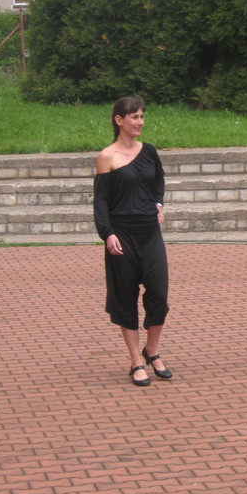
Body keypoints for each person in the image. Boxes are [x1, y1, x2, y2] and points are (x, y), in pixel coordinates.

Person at [93, 95, 172, 386]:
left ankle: (152, 350)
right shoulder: (107, 157)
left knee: (159, 294)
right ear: (119, 120)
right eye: (135, 117)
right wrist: (108, 233)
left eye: (142, 116)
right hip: (122, 234)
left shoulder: (149, 151)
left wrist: (159, 203)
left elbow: (158, 181)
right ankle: (136, 360)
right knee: (125, 297)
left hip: (150, 232)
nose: (141, 122)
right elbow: (101, 201)